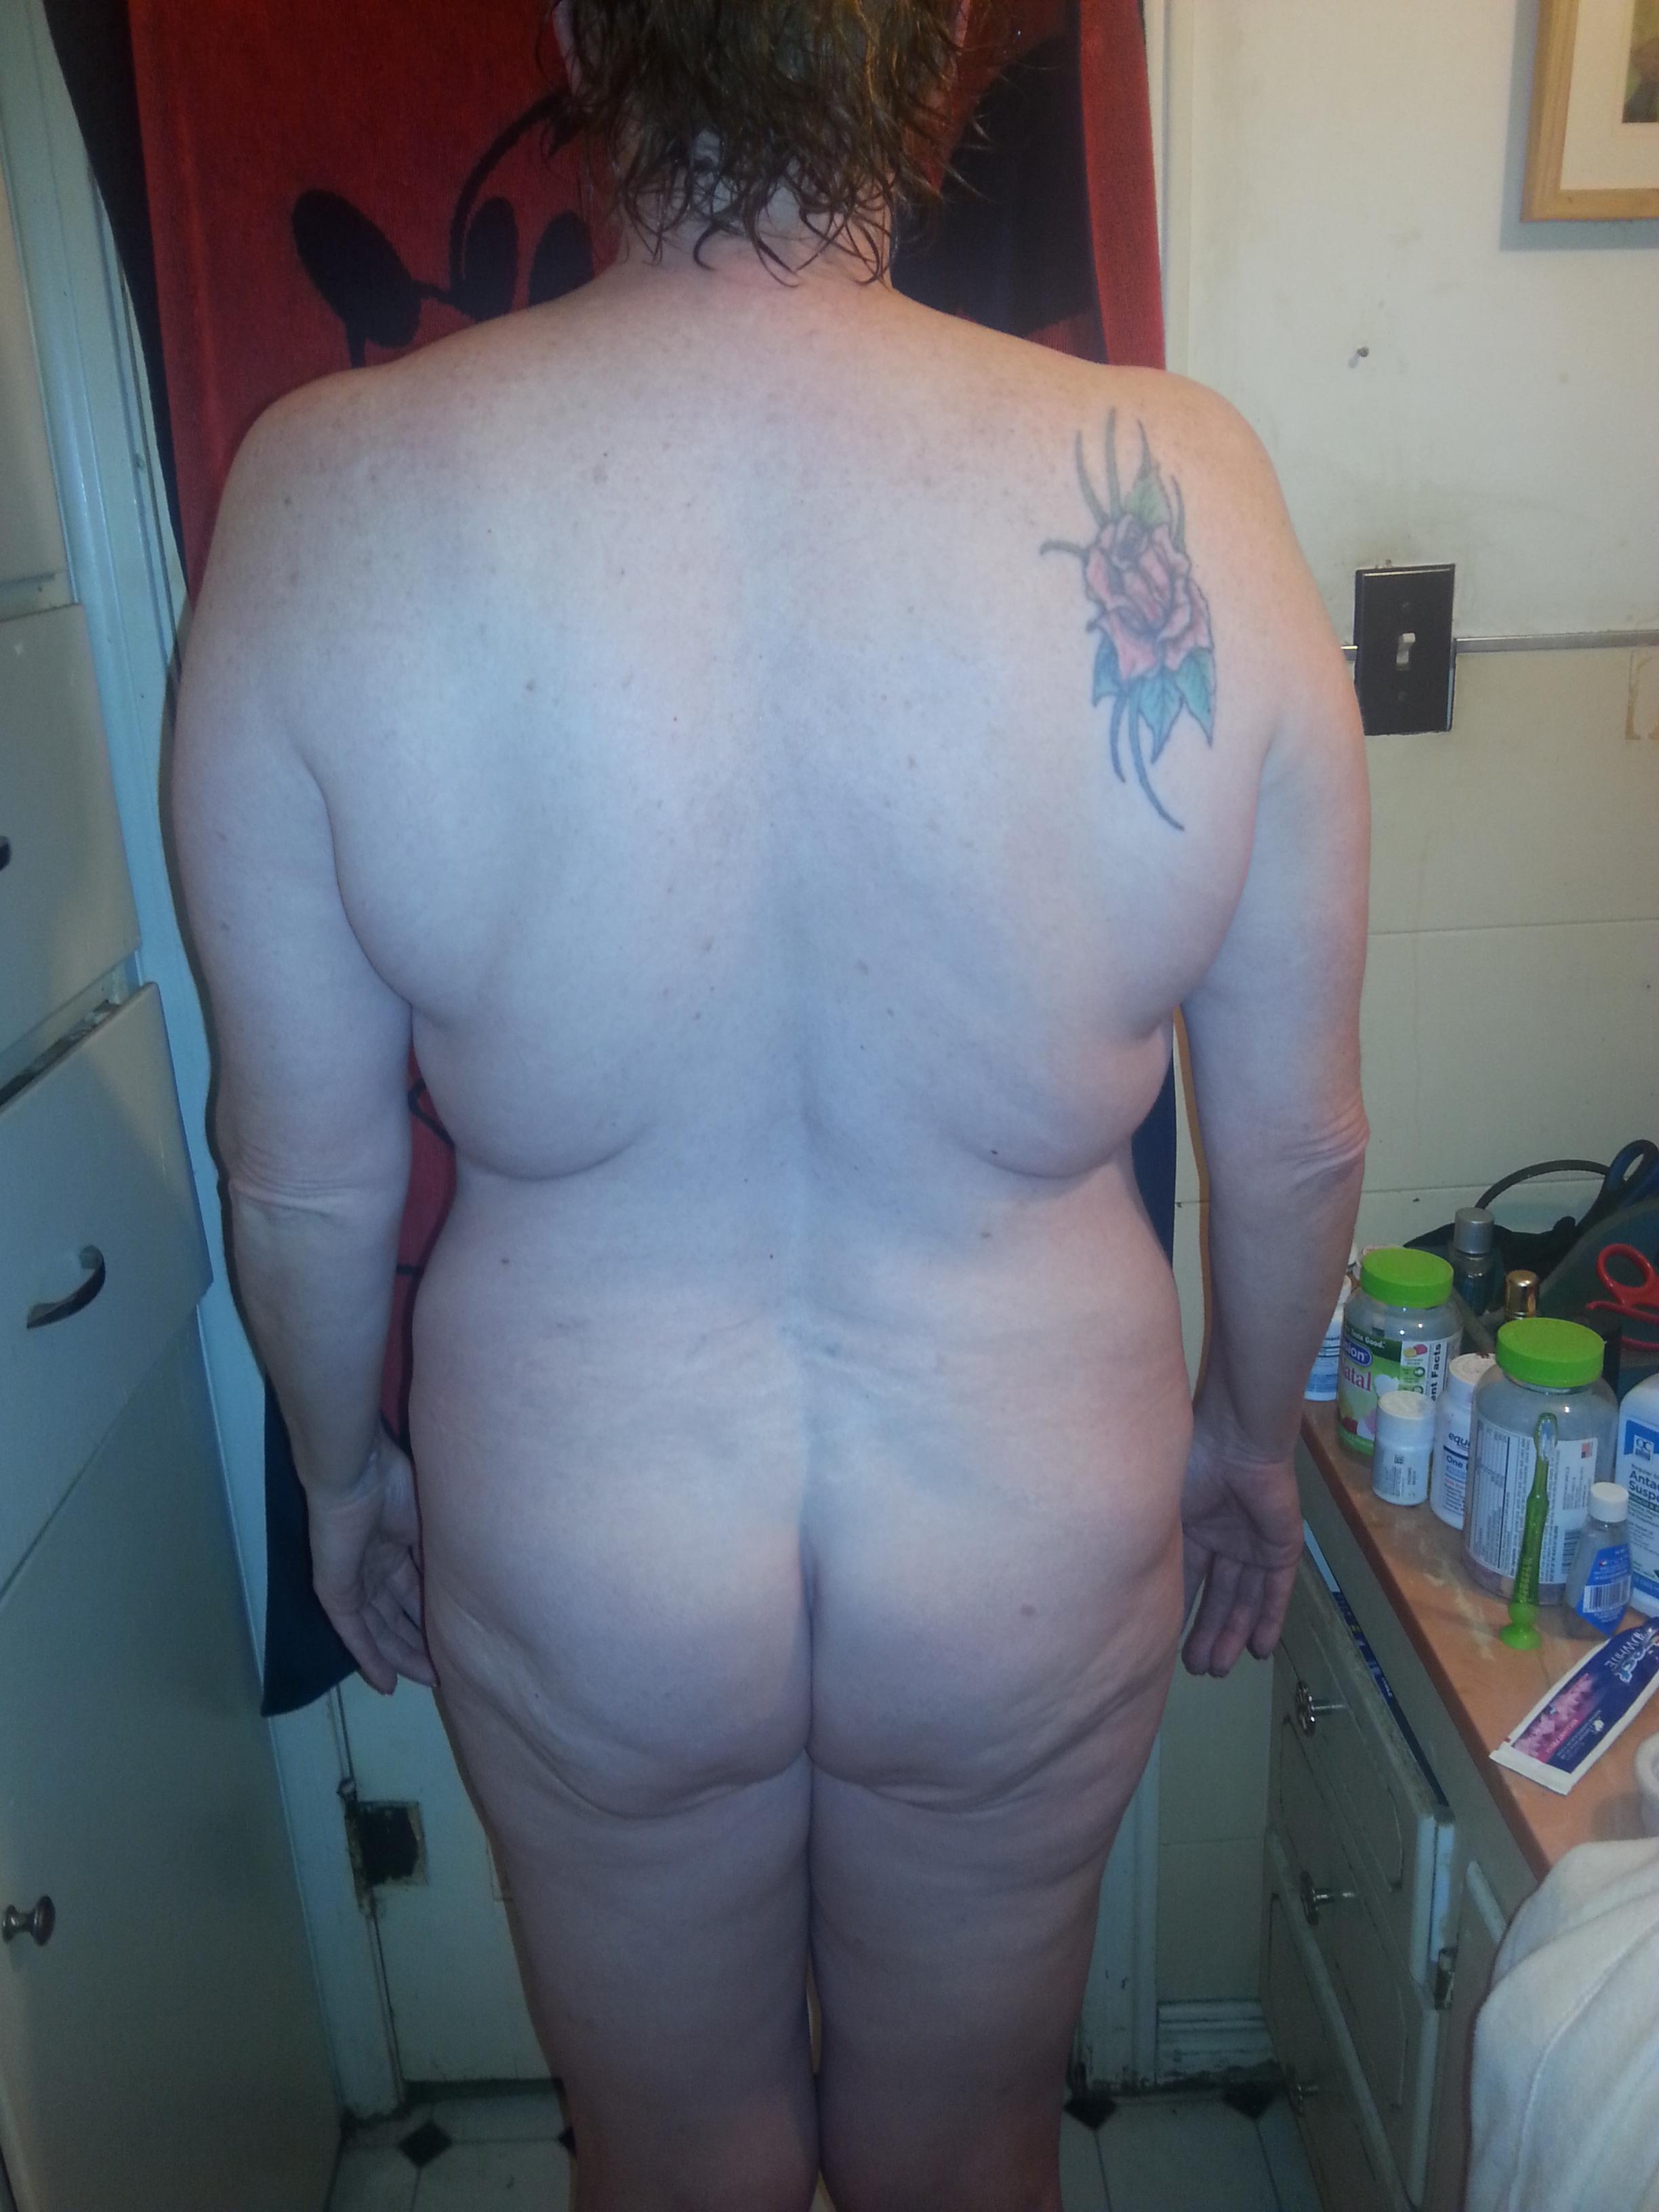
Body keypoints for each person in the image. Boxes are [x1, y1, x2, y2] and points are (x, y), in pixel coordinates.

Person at [169, 3, 1368, 2205]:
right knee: (966, 2144)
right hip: (1027, 1515)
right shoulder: (1186, 481)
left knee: (673, 2153)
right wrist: (1248, 1441)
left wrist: (342, 1477)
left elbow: (303, 1179)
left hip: (590, 1520)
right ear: (943, 42)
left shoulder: (329, 492)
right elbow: (1295, 1144)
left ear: (581, 26)